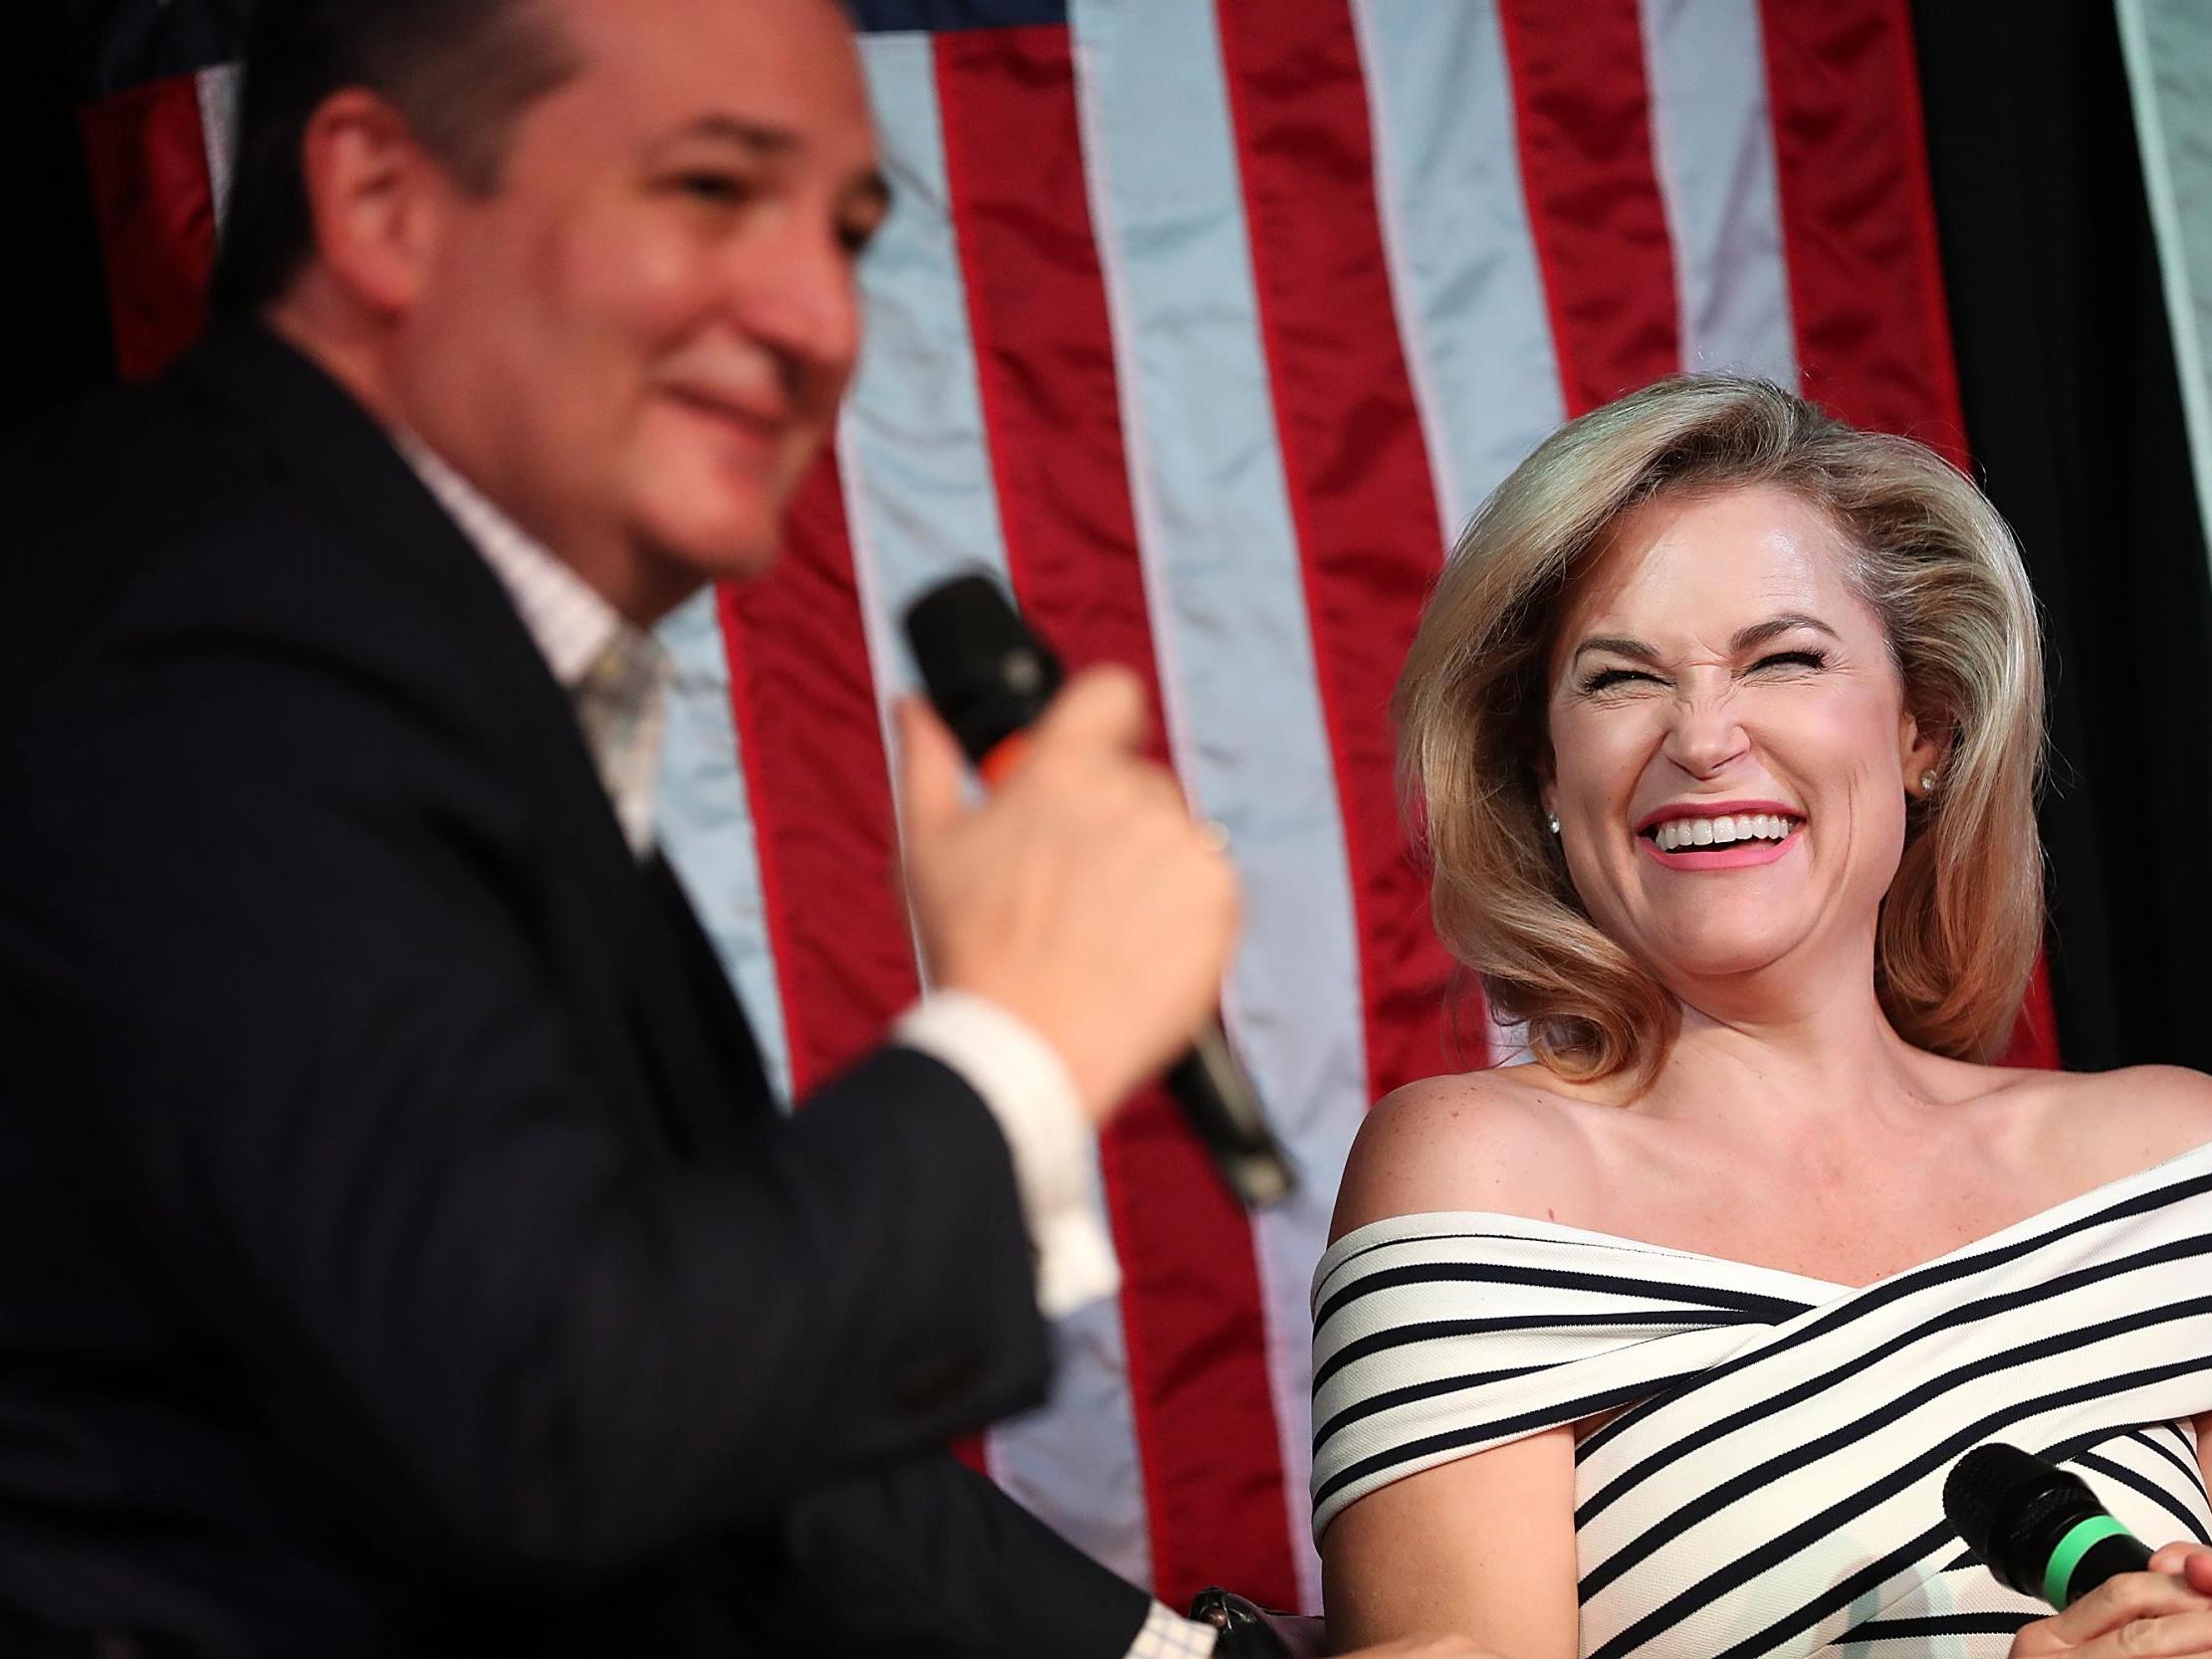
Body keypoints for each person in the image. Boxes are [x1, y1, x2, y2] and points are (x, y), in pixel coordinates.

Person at [0, 1, 1487, 1655]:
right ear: (379, 202)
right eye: (712, 190)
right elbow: (547, 1415)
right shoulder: (217, 622)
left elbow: (697, 1425)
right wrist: (1021, 1045)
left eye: (847, 233)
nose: (815, 316)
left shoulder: (424, 648)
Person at [1311, 376, 2212, 1659]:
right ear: (1542, 772)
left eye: (1784, 658)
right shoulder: (1476, 1175)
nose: (1704, 738)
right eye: (1622, 680)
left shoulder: (2175, 1160)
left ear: (1925, 730)